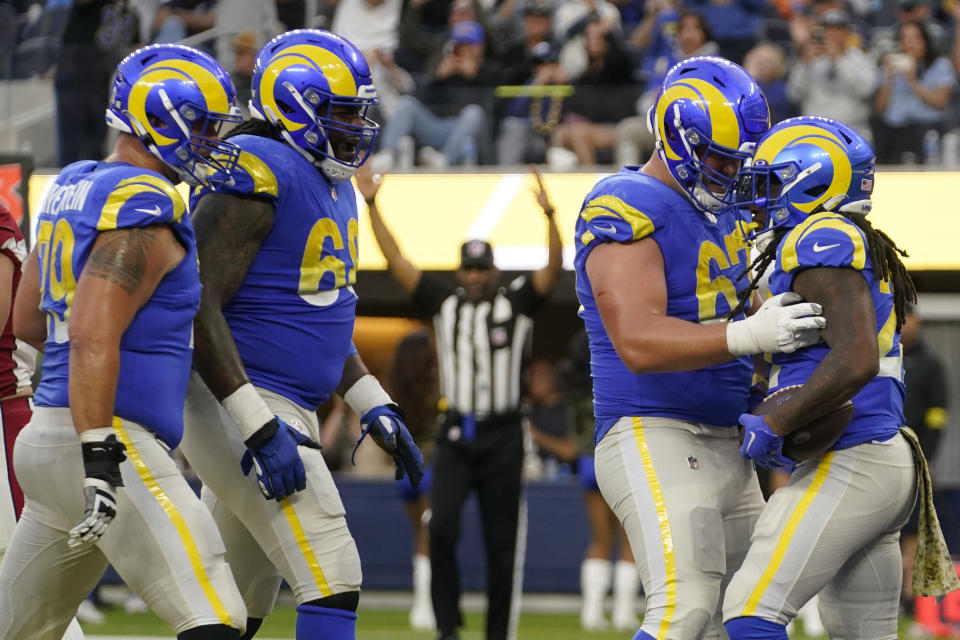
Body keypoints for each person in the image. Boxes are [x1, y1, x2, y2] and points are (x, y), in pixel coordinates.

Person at [179, 29, 424, 640]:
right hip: (241, 399)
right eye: (343, 113)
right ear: (294, 104)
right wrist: (257, 424)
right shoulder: (258, 171)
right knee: (332, 567)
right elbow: (195, 304)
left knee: (237, 604)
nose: (356, 127)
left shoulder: (328, 183)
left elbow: (316, 317)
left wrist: (372, 401)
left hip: (286, 402)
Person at [573, 56, 827, 639]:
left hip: (729, 440)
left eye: (740, 162)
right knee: (684, 607)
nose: (730, 175)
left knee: (749, 615)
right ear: (675, 137)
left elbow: (740, 319)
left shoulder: (726, 212)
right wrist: (748, 335)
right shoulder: (626, 201)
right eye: (718, 158)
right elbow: (636, 339)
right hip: (652, 428)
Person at [0, 44, 248, 640]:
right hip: (109, 439)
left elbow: (29, 321)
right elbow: (90, 331)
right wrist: (98, 449)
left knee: (20, 631)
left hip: (44, 441)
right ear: (160, 119)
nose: (215, 142)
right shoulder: (145, 205)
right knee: (217, 617)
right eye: (207, 126)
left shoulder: (74, 185)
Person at [723, 115, 959, 638]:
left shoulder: (822, 235)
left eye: (770, 179)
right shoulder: (842, 239)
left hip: (854, 457)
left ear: (812, 178)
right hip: (880, 456)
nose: (757, 194)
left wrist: (779, 419)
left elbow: (855, 359)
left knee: (748, 614)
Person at [362, 162, 563, 640]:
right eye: (468, 267)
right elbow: (398, 263)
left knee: (501, 544)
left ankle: (497, 634)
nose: (474, 275)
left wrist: (550, 216)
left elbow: (552, 269)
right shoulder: (443, 302)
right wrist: (371, 204)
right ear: (459, 269)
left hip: (503, 433)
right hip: (456, 431)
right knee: (442, 526)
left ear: (493, 270)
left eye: (481, 267)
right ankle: (448, 627)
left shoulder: (514, 304)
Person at [899, 302, 949, 607]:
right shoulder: (878, 357)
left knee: (914, 531)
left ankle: (913, 602)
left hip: (917, 459)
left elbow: (937, 415)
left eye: (908, 319)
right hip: (879, 454)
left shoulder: (930, 364)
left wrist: (926, 454)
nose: (904, 326)